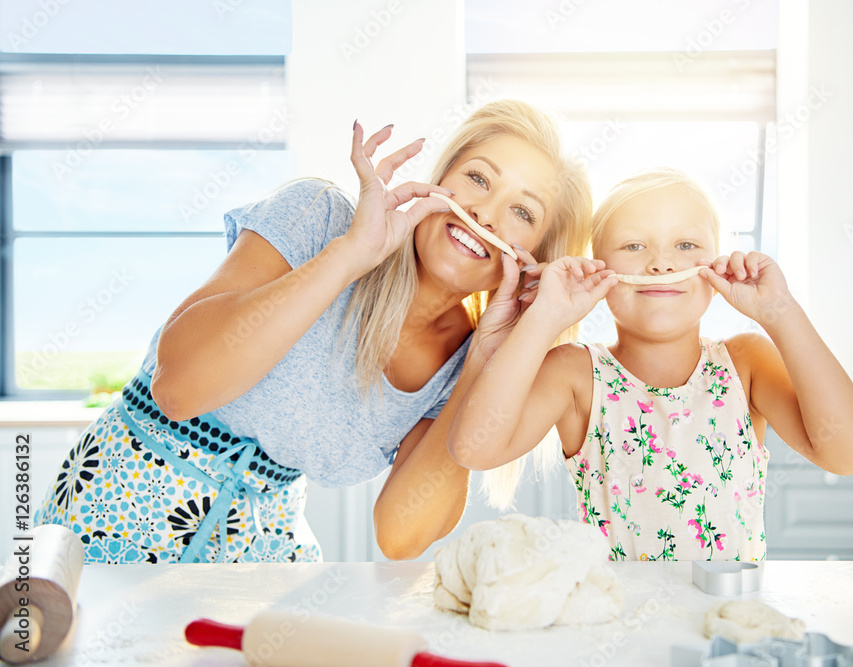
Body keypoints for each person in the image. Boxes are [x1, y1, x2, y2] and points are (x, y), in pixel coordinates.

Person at [34, 99, 592, 563]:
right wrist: (349, 256)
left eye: (523, 212)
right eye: (477, 178)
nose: (488, 213)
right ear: (440, 180)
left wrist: (487, 359)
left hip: (254, 555)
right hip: (110, 508)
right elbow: (178, 388)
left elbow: (402, 535)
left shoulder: (462, 364)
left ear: (534, 258)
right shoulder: (319, 217)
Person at [447, 168, 853, 561]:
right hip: (618, 629)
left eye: (686, 245)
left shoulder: (746, 363)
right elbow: (473, 449)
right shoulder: (574, 374)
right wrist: (543, 317)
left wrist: (782, 313)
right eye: (634, 246)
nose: (661, 263)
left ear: (717, 266)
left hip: (726, 625)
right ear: (598, 267)